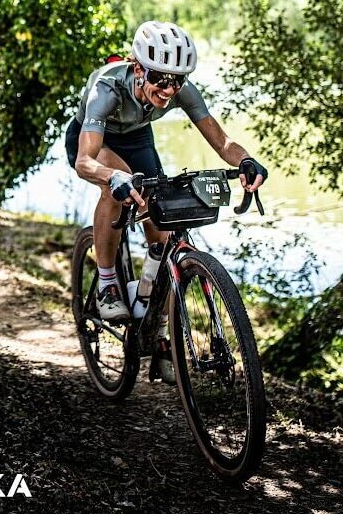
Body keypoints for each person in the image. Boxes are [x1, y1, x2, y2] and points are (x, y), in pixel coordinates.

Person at [65, 21, 267, 381]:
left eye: (177, 80)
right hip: (95, 143)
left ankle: (157, 330)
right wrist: (112, 177)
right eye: (160, 78)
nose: (169, 88)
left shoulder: (181, 91)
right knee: (119, 187)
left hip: (138, 139)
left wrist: (246, 161)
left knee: (164, 230)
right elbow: (85, 161)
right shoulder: (107, 90)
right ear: (139, 68)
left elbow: (222, 141)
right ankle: (109, 283)